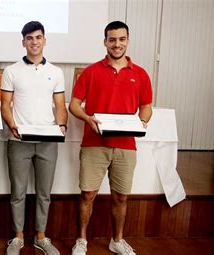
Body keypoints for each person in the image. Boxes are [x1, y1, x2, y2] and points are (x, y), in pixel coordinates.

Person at [69, 21, 153, 255]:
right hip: (95, 144)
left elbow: (146, 106)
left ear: (128, 40)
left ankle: (117, 240)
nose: (117, 44)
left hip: (126, 146)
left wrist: (142, 121)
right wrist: (87, 119)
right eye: (112, 39)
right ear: (105, 41)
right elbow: (74, 105)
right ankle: (81, 240)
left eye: (121, 39)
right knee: (87, 194)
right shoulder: (91, 71)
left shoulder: (141, 74)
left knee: (121, 196)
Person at [1, 21, 68, 255]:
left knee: (44, 192)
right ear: (23, 42)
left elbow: (60, 105)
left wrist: (62, 124)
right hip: (19, 141)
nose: (34, 42)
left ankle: (41, 236)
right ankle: (18, 237)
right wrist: (11, 124)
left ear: (45, 40)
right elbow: (5, 105)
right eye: (29, 38)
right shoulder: (11, 71)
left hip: (48, 141)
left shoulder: (56, 72)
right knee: (17, 191)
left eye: (38, 37)